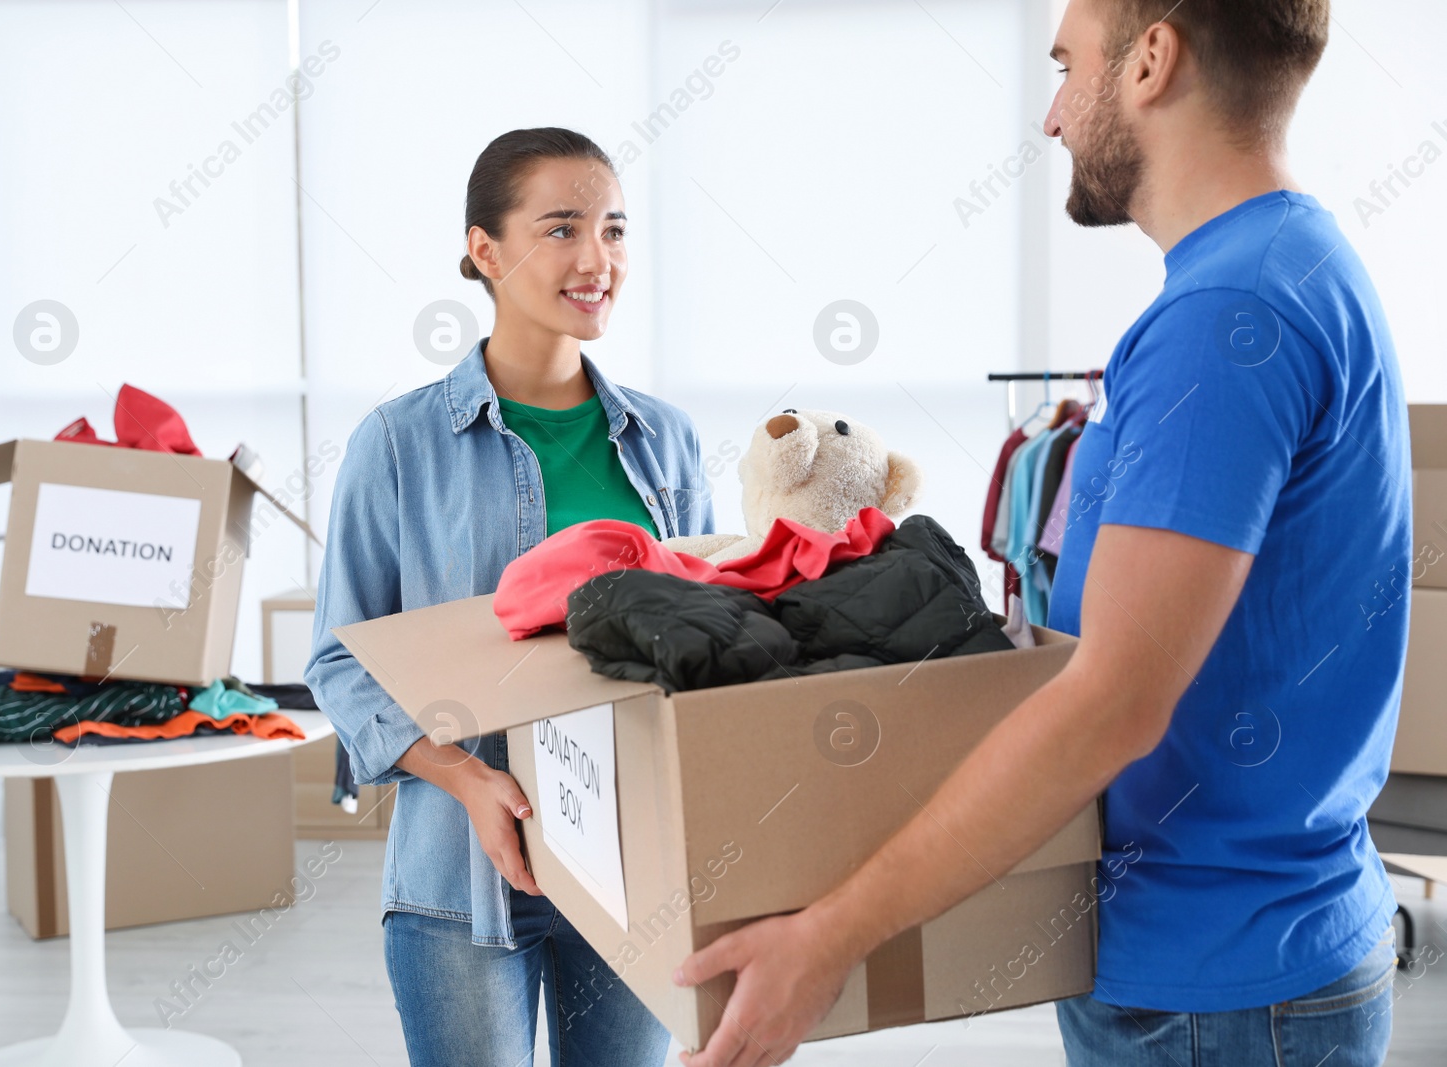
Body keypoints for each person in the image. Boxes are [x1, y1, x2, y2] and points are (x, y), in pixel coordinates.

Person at [673, 3, 1409, 1065]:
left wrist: (827, 938)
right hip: (1248, 955)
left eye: (1068, 65)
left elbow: (1112, 704)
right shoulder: (1290, 262)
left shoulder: (1224, 315)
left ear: (1151, 60)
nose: (1054, 114)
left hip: (1218, 988)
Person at [306, 127, 711, 1067]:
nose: (596, 260)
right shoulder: (398, 444)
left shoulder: (667, 441)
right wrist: (465, 777)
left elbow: (702, 639)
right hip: (460, 879)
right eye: (562, 228)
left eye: (613, 230)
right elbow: (339, 657)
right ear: (485, 251)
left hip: (632, 877)